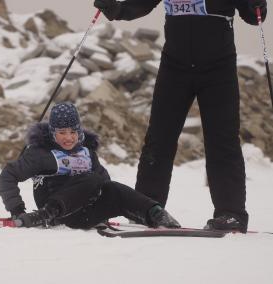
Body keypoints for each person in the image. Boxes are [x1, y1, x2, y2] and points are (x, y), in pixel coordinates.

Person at [93, 0, 268, 233]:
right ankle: (145, 207)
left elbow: (253, 15)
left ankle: (231, 214)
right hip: (174, 67)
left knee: (222, 141)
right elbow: (140, 4)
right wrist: (114, 9)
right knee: (158, 138)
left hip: (218, 69)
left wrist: (258, 4)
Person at [0, 102, 180, 229]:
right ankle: (45, 214)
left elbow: (104, 183)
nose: (68, 137)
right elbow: (8, 175)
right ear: (52, 133)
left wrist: (107, 205)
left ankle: (155, 213)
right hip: (54, 214)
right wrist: (17, 210)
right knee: (92, 179)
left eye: (73, 132)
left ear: (79, 131)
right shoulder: (41, 154)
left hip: (82, 215)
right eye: (62, 132)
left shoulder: (87, 153)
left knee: (112, 187)